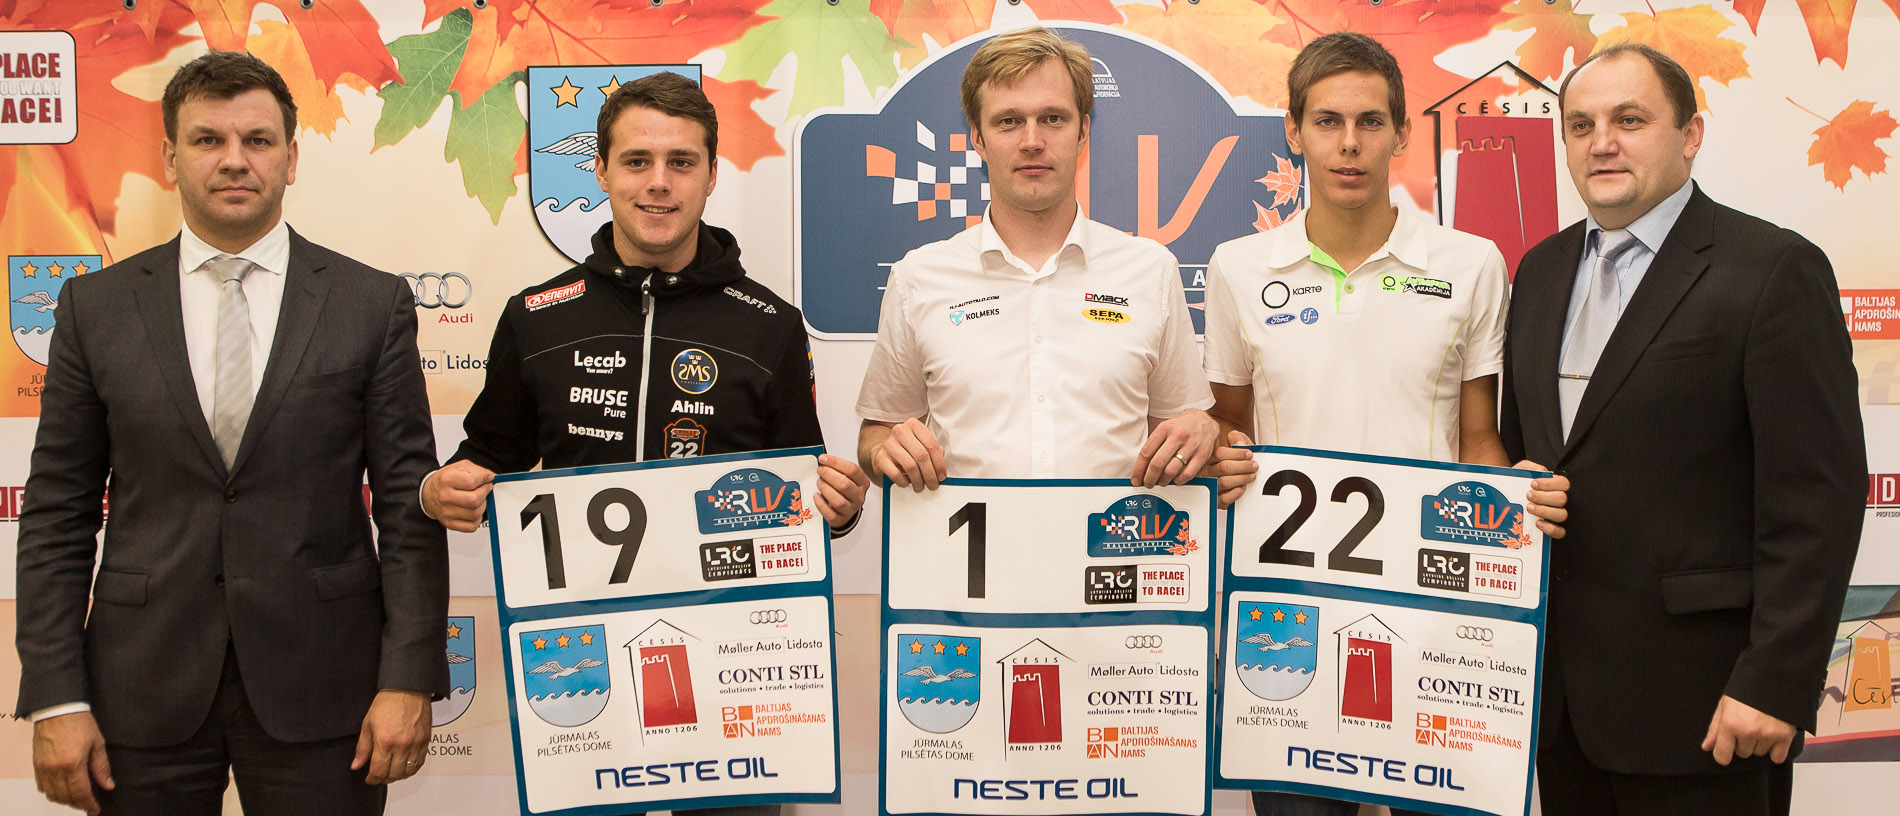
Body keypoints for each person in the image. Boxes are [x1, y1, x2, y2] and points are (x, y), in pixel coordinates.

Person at [420, 71, 868, 816]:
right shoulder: (535, 318)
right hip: (579, 664)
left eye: (681, 162)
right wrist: (444, 488)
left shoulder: (770, 325)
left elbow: (804, 487)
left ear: (711, 175)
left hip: (733, 664)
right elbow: (486, 457)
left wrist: (841, 509)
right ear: (600, 171)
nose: (659, 182)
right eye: (637, 161)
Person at [14, 51, 447, 815]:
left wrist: (409, 676)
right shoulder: (94, 308)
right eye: (208, 140)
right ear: (170, 158)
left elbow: (409, 510)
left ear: (291, 158)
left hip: (325, 688)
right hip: (140, 687)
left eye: (258, 140)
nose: (235, 160)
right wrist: (55, 696)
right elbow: (56, 515)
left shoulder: (370, 305)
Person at [1199, 33, 1567, 816]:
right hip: (1285, 614)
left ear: (1401, 133)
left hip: (1432, 608)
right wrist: (1223, 455)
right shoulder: (1237, 267)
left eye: (1370, 122)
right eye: (1327, 121)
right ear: (1294, 131)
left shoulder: (1471, 263)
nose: (1349, 144)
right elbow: (1229, 422)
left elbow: (1478, 439)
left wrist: (1515, 491)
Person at [1498, 43, 1862, 815]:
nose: (1602, 143)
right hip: (1560, 711)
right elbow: (1524, 452)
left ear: (1690, 134)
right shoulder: (1537, 271)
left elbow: (1816, 499)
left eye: (1629, 120)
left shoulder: (1772, 268)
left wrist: (1776, 681)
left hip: (1710, 710)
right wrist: (1513, 488)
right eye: (1581, 125)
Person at [856, 26, 1218, 489]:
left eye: (1052, 118)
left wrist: (1201, 429)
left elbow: (1183, 423)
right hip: (964, 539)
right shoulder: (918, 277)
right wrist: (883, 450)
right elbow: (878, 432)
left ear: (1083, 132)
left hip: (1112, 535)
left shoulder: (1151, 270)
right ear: (978, 139)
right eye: (1008, 121)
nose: (1031, 140)